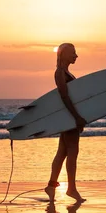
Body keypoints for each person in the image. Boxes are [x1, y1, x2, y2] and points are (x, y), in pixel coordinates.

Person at [45, 43, 87, 203]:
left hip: (67, 117)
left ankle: (51, 186)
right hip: (69, 118)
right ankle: (71, 189)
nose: (76, 56)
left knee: (62, 152)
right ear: (64, 55)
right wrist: (76, 117)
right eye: (73, 53)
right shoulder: (60, 73)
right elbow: (64, 97)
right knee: (72, 153)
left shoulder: (66, 72)